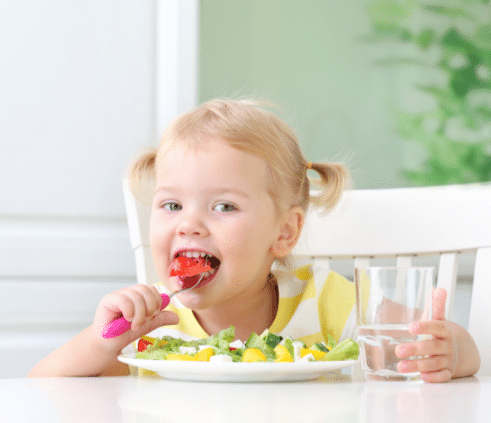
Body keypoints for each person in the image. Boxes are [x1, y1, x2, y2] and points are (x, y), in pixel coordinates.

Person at [28, 99, 480, 382]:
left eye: (223, 207)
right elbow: (43, 388)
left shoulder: (325, 302)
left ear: (284, 232)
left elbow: (416, 342)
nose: (190, 225)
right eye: (171, 206)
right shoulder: (155, 322)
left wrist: (452, 350)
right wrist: (103, 341)